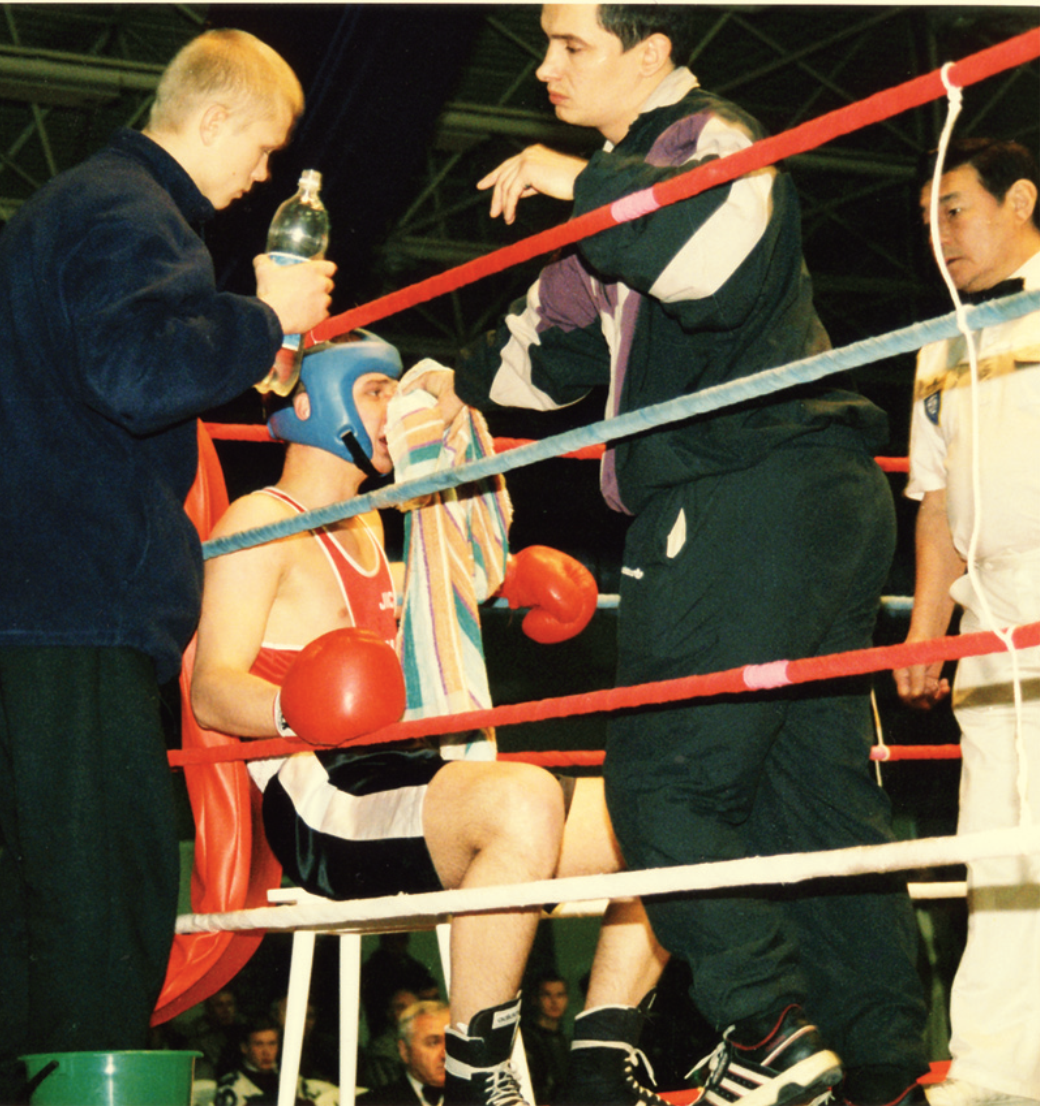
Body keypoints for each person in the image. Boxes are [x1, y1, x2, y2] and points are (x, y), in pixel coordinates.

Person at [442, 6, 932, 1105]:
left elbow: (711, 266)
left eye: (573, 45)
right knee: (810, 795)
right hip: (799, 498)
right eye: (545, 42)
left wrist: (578, 183)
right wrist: (445, 380)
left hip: (744, 489)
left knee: (661, 780)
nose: (544, 67)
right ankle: (883, 1066)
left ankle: (766, 1027)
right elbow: (545, 353)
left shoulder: (707, 137)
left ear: (652, 52)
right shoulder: (626, 184)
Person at [0, 28, 335, 1105]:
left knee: (48, 886)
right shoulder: (132, 211)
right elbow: (137, 374)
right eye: (263, 148)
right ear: (218, 117)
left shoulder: (83, 202)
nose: (264, 175)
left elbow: (116, 369)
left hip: (30, 592)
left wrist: (236, 333)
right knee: (110, 887)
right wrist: (265, 319)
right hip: (73, 594)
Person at [189, 330, 667, 1106]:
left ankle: (601, 1064)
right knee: (523, 798)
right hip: (317, 797)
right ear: (314, 404)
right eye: (376, 390)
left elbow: (424, 605)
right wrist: (295, 706)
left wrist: (506, 580)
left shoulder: (371, 525)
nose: (398, 409)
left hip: (398, 775)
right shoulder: (257, 521)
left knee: (663, 815)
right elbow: (211, 690)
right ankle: (477, 1076)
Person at [893, 137, 1040, 1106]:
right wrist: (926, 626)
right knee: (996, 843)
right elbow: (936, 498)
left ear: (1020, 200)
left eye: (955, 209)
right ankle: (994, 1070)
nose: (940, 234)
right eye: (927, 220)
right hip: (988, 614)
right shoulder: (939, 340)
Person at [215, 1016, 339, 1106]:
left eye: (272, 1043)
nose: (266, 1052)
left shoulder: (294, 1080)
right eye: (259, 1044)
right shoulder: (230, 1086)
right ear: (244, 1048)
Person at [359, 1001, 451, 1106]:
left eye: (453, 1042)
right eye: (433, 1043)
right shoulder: (370, 1102)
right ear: (404, 1051)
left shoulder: (467, 1096)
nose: (446, 1055)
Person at [520, 972, 571, 1105]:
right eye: (547, 995)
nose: (554, 1002)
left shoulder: (566, 1042)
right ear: (535, 999)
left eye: (560, 995)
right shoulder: (526, 1040)